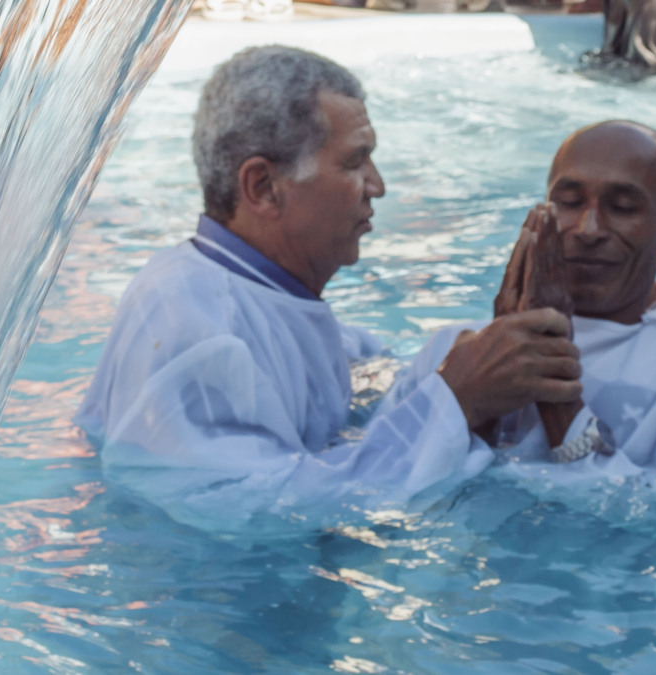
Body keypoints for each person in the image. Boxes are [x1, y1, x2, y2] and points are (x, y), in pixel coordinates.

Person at [76, 45, 585, 523]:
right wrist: (458, 398)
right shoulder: (189, 321)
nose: (377, 186)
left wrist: (489, 357)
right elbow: (250, 512)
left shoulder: (260, 299)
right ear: (263, 187)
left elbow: (364, 380)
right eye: (354, 161)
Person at [382, 121, 656, 480]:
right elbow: (377, 477)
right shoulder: (452, 350)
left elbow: (654, 514)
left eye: (623, 208)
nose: (588, 229)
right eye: (569, 202)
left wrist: (556, 389)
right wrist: (474, 394)